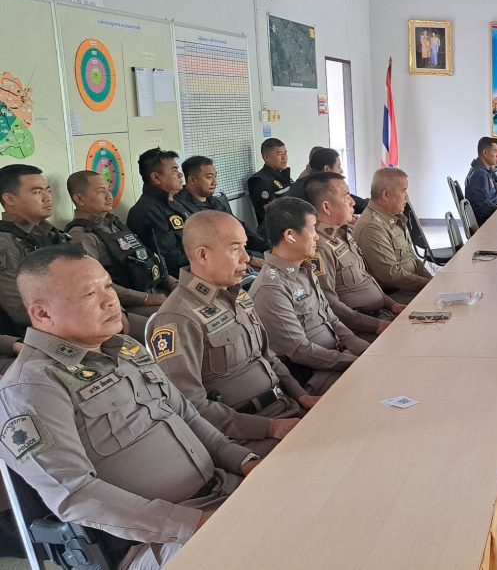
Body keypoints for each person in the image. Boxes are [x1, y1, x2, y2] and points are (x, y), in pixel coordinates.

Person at [0, 246, 258, 570]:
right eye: (89, 294)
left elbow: (185, 415)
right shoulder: (31, 387)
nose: (110, 300)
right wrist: (195, 524)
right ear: (42, 314)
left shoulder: (126, 349)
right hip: (155, 541)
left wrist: (245, 461)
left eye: (108, 286)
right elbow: (75, 495)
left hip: (221, 490)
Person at [151, 211, 317, 456]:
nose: (246, 258)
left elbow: (267, 356)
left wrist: (302, 396)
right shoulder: (177, 318)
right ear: (203, 255)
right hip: (246, 435)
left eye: (245, 248)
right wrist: (269, 427)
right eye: (235, 249)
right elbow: (191, 405)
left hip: (286, 407)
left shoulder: (236, 294)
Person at [250, 197, 368, 394]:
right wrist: (355, 361)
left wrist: (367, 350)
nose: (317, 237)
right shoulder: (271, 288)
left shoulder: (305, 268)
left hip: (339, 358)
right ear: (290, 236)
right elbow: (301, 351)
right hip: (316, 375)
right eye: (313, 228)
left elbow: (332, 320)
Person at [302, 172, 402, 337]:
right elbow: (329, 303)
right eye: (346, 195)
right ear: (326, 207)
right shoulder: (319, 248)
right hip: (361, 329)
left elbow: (365, 279)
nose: (353, 202)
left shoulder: (344, 233)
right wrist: (377, 325)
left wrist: (392, 305)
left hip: (383, 313)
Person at [65, 170, 173, 321]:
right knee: (176, 316)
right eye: (101, 192)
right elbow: (96, 286)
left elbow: (146, 258)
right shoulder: (81, 236)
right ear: (80, 199)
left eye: (108, 190)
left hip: (152, 290)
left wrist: (171, 282)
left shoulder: (115, 224)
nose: (109, 196)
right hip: (123, 305)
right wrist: (146, 298)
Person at [0, 165, 71, 334]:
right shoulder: (5, 242)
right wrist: (82, 316)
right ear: (9, 199)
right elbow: (19, 308)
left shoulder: (51, 233)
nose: (48, 198)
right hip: (39, 332)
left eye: (48, 191)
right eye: (37, 192)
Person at [354, 168, 433, 303]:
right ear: (386, 195)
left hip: (411, 287)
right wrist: (429, 285)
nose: (407, 197)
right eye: (403, 190)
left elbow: (412, 258)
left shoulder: (393, 218)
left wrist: (431, 281)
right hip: (395, 296)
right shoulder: (372, 226)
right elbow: (391, 275)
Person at [127, 148, 191, 278]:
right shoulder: (147, 211)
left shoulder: (175, 202)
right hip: (179, 278)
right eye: (174, 171)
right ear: (156, 178)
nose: (180, 175)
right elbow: (171, 260)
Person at [290, 147, 368, 214]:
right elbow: (360, 205)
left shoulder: (300, 184)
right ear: (327, 169)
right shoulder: (319, 188)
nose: (341, 171)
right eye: (338, 167)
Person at [464, 136, 497, 225]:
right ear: (485, 153)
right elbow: (483, 208)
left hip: (492, 219)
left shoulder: (484, 171)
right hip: (487, 224)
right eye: (495, 151)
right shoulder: (480, 175)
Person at [247, 138, 292, 224]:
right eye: (280, 154)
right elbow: (273, 215)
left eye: (285, 153)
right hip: (275, 229)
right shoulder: (260, 181)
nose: (284, 157)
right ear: (266, 157)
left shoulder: (283, 175)